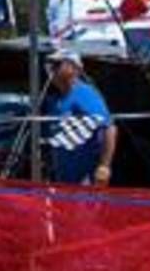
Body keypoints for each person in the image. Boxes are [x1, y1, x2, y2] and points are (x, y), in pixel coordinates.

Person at [37, 52, 117, 186]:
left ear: (74, 68)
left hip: (84, 178)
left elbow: (109, 128)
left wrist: (104, 166)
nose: (51, 69)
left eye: (57, 65)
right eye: (49, 65)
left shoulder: (84, 94)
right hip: (64, 177)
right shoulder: (56, 100)